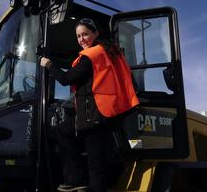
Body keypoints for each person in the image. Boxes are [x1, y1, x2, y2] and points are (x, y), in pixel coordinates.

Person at [40, 18, 139, 192]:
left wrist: (48, 64)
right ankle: (74, 178)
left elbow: (65, 79)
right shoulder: (110, 53)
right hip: (100, 115)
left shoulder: (91, 56)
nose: (81, 39)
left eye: (85, 34)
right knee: (63, 131)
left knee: (96, 168)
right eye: (78, 36)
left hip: (94, 117)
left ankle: (76, 179)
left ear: (95, 33)